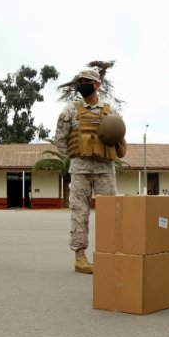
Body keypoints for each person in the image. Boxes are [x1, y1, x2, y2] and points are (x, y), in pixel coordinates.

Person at [54, 68, 125, 274]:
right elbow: (60, 141)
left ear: (97, 84)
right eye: (79, 81)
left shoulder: (110, 112)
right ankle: (80, 258)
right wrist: (76, 156)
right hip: (80, 170)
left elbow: (120, 139)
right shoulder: (70, 111)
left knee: (110, 212)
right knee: (79, 213)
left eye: (86, 81)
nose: (81, 84)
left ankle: (109, 254)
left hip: (105, 169)